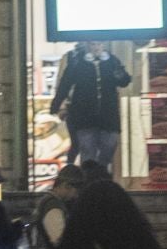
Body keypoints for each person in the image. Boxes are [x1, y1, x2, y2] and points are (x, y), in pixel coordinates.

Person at [51, 41, 131, 170]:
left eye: (99, 44)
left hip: (108, 116)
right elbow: (65, 83)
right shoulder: (77, 62)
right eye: (93, 45)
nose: (96, 48)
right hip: (85, 115)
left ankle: (100, 171)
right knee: (87, 149)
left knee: (109, 145)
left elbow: (124, 81)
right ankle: (89, 177)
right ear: (87, 47)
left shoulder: (112, 61)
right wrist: (57, 104)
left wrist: (119, 73)